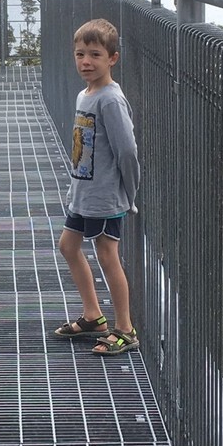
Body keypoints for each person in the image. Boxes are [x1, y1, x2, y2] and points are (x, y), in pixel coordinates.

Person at [53, 18, 140, 354]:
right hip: (84, 194)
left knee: (107, 255)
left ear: (112, 59)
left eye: (95, 55)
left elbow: (128, 151)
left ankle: (125, 329)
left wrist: (128, 193)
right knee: (68, 247)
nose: (85, 62)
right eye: (79, 55)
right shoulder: (84, 95)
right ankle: (93, 316)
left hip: (105, 197)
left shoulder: (110, 100)